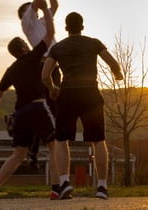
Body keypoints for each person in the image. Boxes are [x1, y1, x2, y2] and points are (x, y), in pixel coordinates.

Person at [0, 0, 61, 201]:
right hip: (37, 107)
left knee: (18, 154)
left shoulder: (11, 69)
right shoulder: (34, 57)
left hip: (20, 113)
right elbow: (52, 33)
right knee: (54, 147)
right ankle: (56, 189)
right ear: (25, 47)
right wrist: (44, 6)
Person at [42, 11, 123, 200]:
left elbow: (45, 75)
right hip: (90, 93)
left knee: (62, 140)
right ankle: (102, 187)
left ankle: (63, 182)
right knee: (98, 140)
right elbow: (112, 62)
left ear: (66, 28)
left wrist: (53, 88)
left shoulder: (58, 48)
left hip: (68, 94)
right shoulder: (93, 43)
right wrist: (117, 74)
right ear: (82, 27)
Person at [18, 0, 61, 169]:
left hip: (54, 66)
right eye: (32, 8)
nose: (36, 7)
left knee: (53, 107)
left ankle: (36, 148)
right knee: (46, 108)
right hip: (42, 66)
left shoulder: (43, 21)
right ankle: (36, 148)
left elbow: (54, 4)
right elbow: (37, 1)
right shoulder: (27, 22)